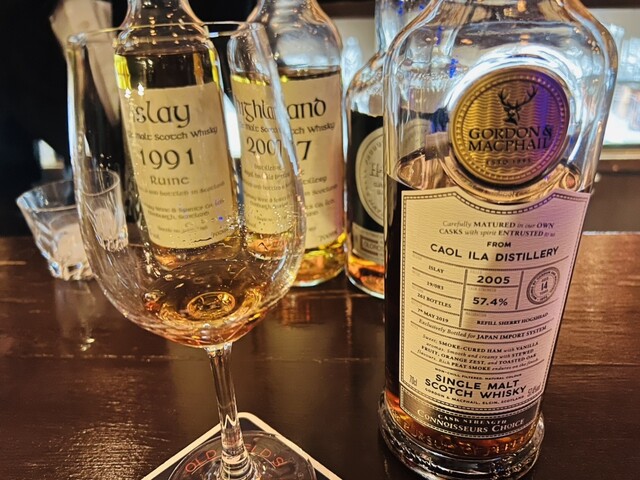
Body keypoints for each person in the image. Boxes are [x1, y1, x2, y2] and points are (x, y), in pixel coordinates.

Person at [0, 0, 256, 236]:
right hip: (96, 227)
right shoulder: (12, 24)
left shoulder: (168, 9)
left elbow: (255, 68)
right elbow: (9, 174)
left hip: (223, 211)